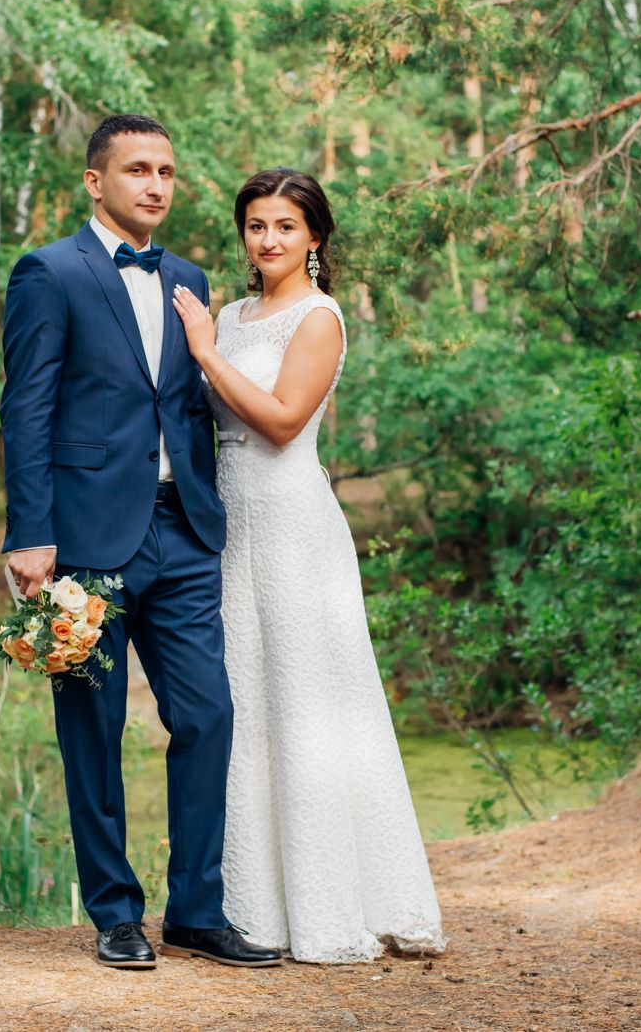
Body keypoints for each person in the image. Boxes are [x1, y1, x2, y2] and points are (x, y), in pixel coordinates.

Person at [0, 114, 280, 970]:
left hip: (183, 530)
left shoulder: (188, 277)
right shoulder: (48, 271)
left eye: (165, 171)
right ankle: (116, 912)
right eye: (137, 170)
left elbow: (188, 402)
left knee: (208, 714)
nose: (155, 184)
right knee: (93, 727)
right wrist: (30, 532)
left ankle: (195, 908)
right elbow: (26, 406)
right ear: (96, 181)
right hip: (85, 538)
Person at [172, 167, 446, 963]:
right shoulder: (231, 315)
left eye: (285, 226)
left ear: (314, 237)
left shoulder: (319, 317)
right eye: (256, 225)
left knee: (309, 704)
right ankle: (251, 906)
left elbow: (285, 420)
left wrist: (202, 351)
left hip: (294, 524)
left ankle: (331, 904)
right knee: (244, 703)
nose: (268, 239)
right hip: (229, 526)